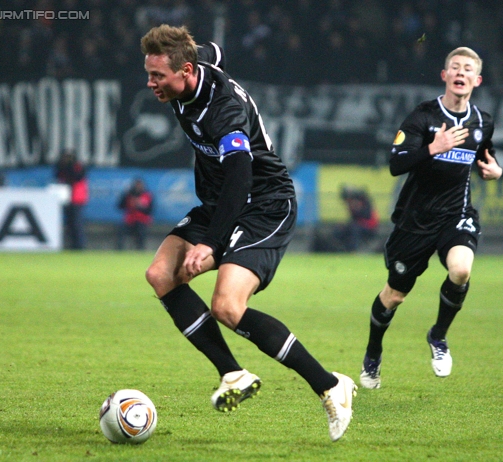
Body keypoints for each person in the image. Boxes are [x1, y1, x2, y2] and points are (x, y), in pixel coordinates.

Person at [141, 25, 356, 441]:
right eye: (148, 73)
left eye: (157, 77)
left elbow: (240, 176)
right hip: (218, 203)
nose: (150, 84)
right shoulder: (194, 66)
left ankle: (330, 385)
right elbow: (215, 49)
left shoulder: (224, 112)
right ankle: (233, 373)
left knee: (226, 306)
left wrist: (210, 243)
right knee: (160, 274)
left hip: (263, 203)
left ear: (185, 71)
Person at [359, 47, 503, 389]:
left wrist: (495, 169)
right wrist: (432, 148)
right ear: (444, 75)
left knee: (461, 269)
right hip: (415, 220)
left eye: (468, 69)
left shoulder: (482, 121)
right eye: (455, 67)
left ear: (476, 80)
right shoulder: (422, 117)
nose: (461, 72)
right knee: (394, 295)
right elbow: (396, 164)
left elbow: (487, 155)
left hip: (456, 214)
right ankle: (373, 354)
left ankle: (438, 336)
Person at [55, 149, 88, 250]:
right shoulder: (62, 167)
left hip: (77, 198)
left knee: (76, 223)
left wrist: (68, 166)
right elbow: (58, 176)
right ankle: (73, 244)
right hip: (66, 198)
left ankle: (79, 245)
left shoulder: (77, 166)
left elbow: (77, 177)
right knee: (69, 223)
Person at [338, 185, 379, 252]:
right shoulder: (353, 205)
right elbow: (354, 219)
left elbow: (366, 216)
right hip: (360, 225)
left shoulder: (363, 203)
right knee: (343, 229)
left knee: (355, 229)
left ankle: (353, 250)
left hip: (369, 227)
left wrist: (356, 209)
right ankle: (344, 249)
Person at [116, 178, 154, 250]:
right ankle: (119, 250)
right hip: (130, 220)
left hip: (142, 221)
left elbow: (150, 210)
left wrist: (140, 206)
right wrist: (125, 197)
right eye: (137, 185)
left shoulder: (147, 195)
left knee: (140, 231)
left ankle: (140, 249)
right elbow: (120, 206)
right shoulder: (128, 195)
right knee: (121, 230)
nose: (138, 187)